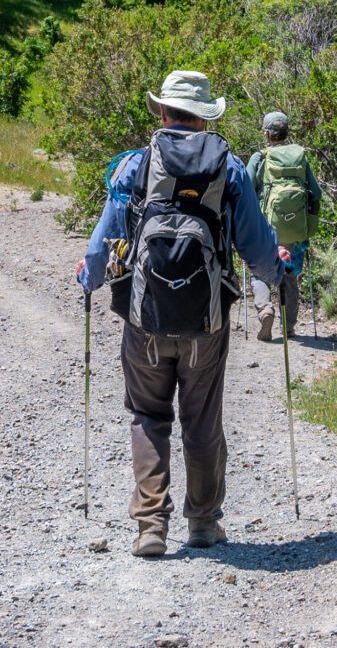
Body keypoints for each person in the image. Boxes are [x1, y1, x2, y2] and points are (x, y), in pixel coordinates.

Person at [77, 70, 284, 558]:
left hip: (144, 317)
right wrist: (274, 271)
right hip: (206, 322)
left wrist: (89, 280)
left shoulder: (135, 166)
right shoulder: (230, 169)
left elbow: (104, 239)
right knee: (202, 420)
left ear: (164, 113)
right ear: (204, 117)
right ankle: (205, 523)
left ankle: (151, 526)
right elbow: (255, 245)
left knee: (148, 416)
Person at [245, 111, 323, 342]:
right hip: (295, 229)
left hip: (266, 228)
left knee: (259, 271)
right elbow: (316, 193)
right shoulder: (300, 156)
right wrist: (309, 223)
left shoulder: (260, 157)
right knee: (290, 274)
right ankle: (288, 327)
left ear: (267, 133)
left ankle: (265, 309)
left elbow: (246, 189)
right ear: (287, 132)